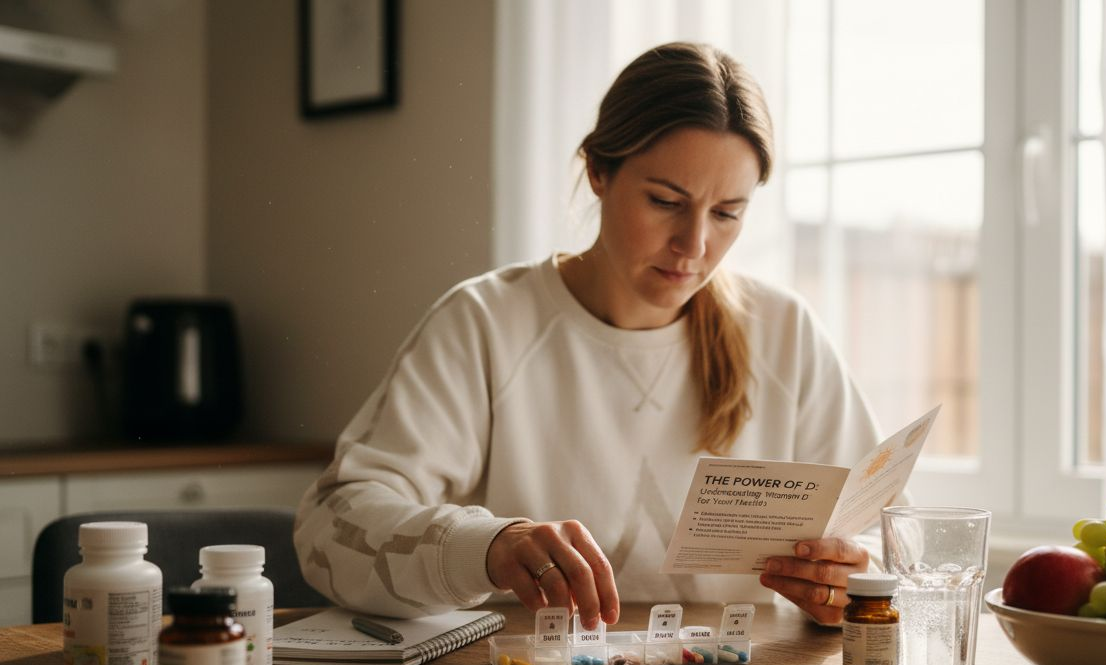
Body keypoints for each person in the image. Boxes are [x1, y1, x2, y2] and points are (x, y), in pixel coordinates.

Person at [294, 42, 885, 629]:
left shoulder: (784, 334)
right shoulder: (486, 323)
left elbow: (888, 538)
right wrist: (489, 545)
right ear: (598, 171)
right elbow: (331, 529)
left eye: (727, 212)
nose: (694, 245)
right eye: (664, 201)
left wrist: (847, 584)